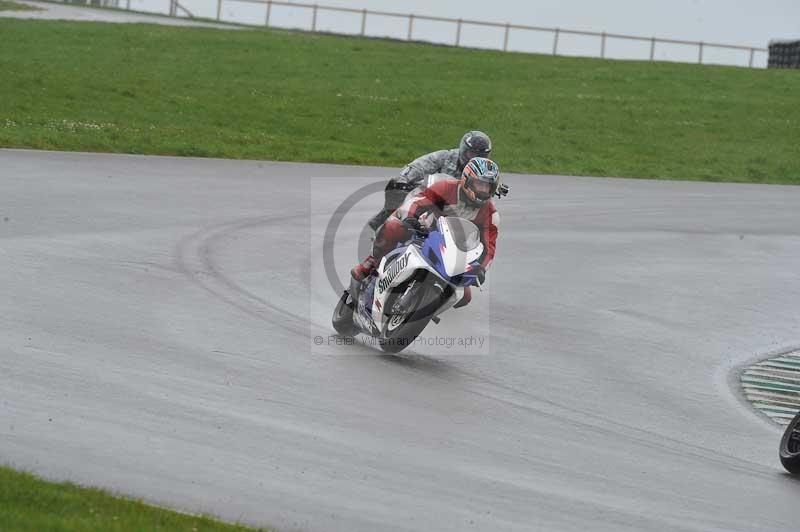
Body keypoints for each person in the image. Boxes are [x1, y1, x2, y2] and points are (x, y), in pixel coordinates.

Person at [352, 157, 502, 306]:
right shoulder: (446, 187)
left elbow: (489, 248)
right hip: (423, 232)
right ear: (467, 179)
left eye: (487, 186)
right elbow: (417, 201)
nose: (483, 190)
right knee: (393, 228)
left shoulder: (490, 214)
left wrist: (481, 269)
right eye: (479, 184)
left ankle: (425, 308)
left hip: (453, 252)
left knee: (465, 296)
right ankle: (370, 263)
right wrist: (410, 218)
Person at [366, 131, 493, 231]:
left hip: (458, 210)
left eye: (481, 156)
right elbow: (420, 165)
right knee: (396, 190)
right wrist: (404, 180)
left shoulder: (485, 171)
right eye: (472, 154)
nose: (476, 159)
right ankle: (382, 228)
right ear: (463, 150)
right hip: (431, 197)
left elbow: (492, 183)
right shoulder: (446, 157)